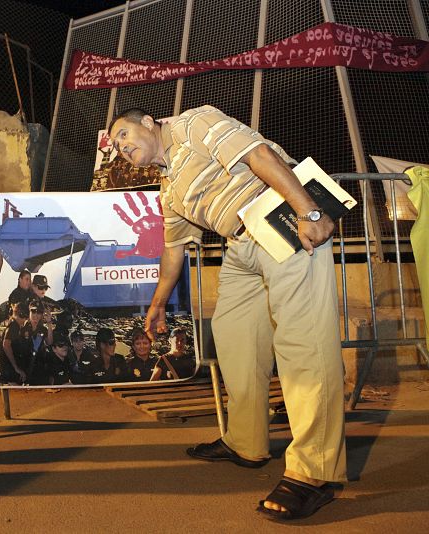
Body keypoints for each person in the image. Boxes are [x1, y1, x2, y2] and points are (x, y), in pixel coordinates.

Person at [109, 105, 345, 521]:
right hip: (239, 245)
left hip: (281, 220)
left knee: (302, 343)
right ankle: (246, 442)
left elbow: (258, 154)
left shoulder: (193, 123)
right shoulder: (169, 189)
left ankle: (315, 471)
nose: (120, 147)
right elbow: (173, 250)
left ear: (148, 122)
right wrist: (157, 305)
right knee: (234, 340)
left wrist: (307, 211)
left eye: (123, 135)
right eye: (115, 145)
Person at [0, 301, 31, 384]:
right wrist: (16, 367)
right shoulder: (14, 326)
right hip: (9, 371)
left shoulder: (14, 325)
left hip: (7, 369)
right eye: (25, 316)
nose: (25, 320)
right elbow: (6, 345)